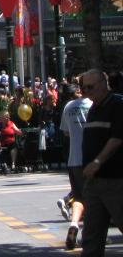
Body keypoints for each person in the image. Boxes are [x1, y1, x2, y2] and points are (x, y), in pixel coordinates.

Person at [78, 69, 123, 256]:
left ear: (103, 84)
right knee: (91, 235)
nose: (86, 92)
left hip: (115, 179)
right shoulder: (93, 109)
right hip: (94, 181)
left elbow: (118, 137)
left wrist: (97, 161)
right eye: (83, 88)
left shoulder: (117, 104)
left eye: (90, 87)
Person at [58, 83, 92, 249]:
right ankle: (91, 235)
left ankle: (74, 224)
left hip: (74, 159)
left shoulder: (68, 107)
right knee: (95, 199)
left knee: (78, 196)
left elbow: (66, 132)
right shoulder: (93, 105)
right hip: (92, 159)